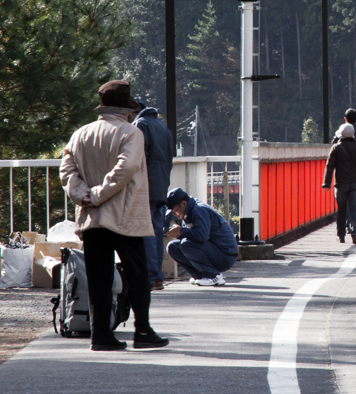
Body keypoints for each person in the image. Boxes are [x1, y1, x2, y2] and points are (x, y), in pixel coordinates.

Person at [60, 80, 168, 351]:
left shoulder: (80, 134)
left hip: (91, 218)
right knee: (137, 273)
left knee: (98, 277)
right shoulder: (130, 133)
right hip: (124, 214)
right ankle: (142, 330)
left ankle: (100, 335)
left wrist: (83, 194)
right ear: (126, 110)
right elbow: (126, 167)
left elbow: (67, 169)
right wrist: (98, 194)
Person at [164, 187, 238, 286]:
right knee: (172, 247)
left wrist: (181, 231)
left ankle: (213, 276)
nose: (174, 214)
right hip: (214, 250)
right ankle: (200, 275)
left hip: (225, 256)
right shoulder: (189, 210)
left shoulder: (199, 209)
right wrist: (178, 233)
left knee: (186, 244)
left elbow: (202, 236)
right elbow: (193, 236)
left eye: (175, 211)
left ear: (184, 204)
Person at [134, 101, 173, 291]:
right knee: (156, 233)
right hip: (161, 187)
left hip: (146, 187)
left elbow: (138, 157)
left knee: (146, 233)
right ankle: (158, 277)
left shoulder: (141, 125)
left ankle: (150, 278)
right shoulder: (164, 128)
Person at [321, 123, 356, 245]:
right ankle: (355, 235)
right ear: (353, 134)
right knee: (354, 209)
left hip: (340, 184)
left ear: (341, 134)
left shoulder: (336, 148)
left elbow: (329, 166)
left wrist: (326, 183)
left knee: (341, 210)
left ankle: (341, 236)